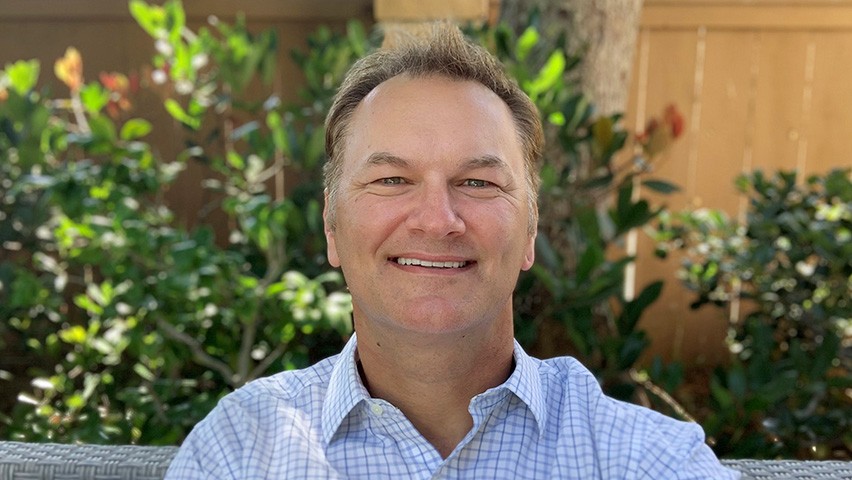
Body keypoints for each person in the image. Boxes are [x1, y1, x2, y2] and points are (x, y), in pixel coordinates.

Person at [165, 22, 739, 479]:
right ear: (332, 228)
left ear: (530, 233)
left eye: (478, 183)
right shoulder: (241, 450)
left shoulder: (641, 460)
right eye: (391, 180)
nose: (438, 221)